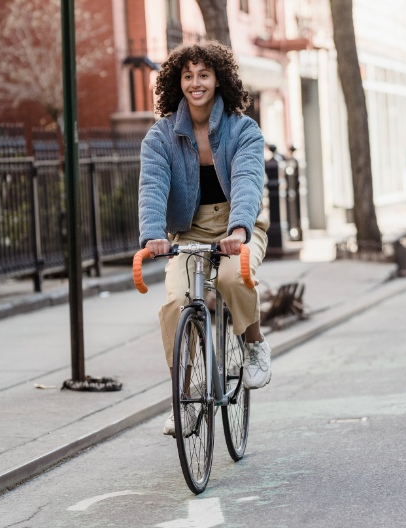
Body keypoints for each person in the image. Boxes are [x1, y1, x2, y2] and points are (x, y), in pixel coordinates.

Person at [138, 41, 271, 436]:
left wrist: (240, 228)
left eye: (204, 75)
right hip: (189, 231)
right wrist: (152, 235)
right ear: (177, 83)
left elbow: (248, 180)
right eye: (188, 75)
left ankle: (254, 344)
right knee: (177, 303)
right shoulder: (161, 136)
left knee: (232, 279)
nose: (196, 83)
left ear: (218, 81)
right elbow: (152, 185)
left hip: (238, 227)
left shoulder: (242, 129)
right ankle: (185, 399)